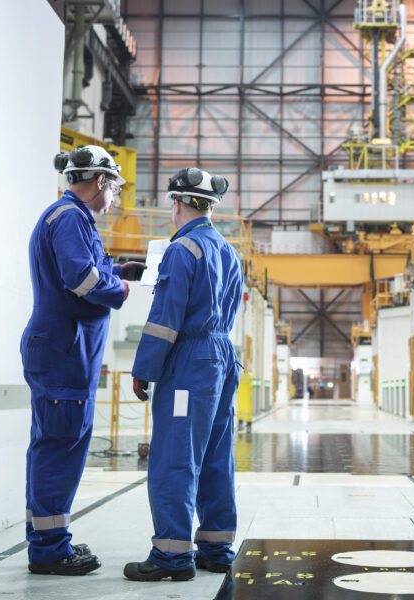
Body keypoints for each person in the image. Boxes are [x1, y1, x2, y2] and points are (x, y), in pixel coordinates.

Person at [21, 145, 145, 576]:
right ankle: (51, 550)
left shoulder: (69, 217)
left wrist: (122, 269)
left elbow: (91, 267)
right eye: (113, 187)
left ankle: (47, 541)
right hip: (64, 352)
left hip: (63, 351)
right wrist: (121, 291)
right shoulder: (72, 217)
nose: (114, 198)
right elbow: (83, 279)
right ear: (99, 182)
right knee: (60, 449)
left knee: (52, 446)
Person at [124, 167, 243, 582]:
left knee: (176, 456)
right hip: (222, 357)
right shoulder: (229, 250)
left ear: (176, 204)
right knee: (215, 454)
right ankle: (216, 547)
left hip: (190, 363)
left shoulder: (182, 250)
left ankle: (172, 556)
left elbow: (164, 320)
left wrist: (143, 370)